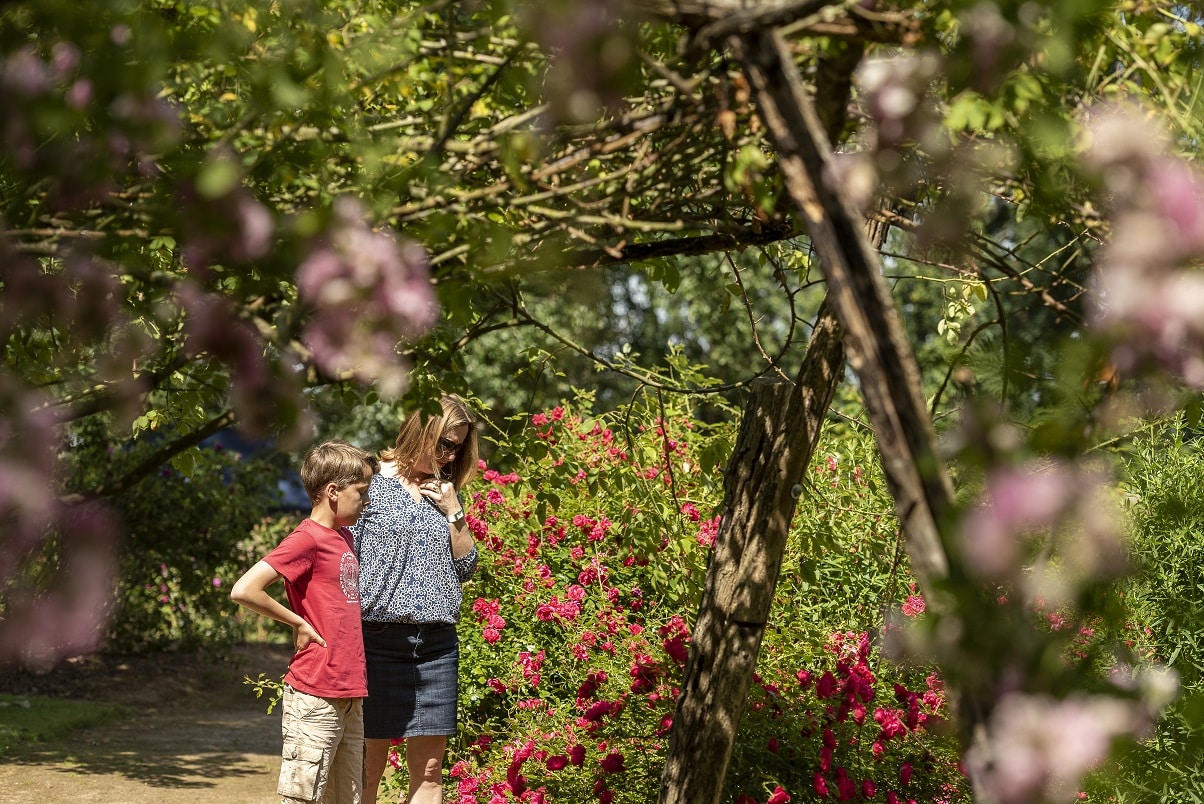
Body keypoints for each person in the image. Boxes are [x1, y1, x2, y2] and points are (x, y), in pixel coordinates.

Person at [230, 440, 376, 804]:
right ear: (332, 492)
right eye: (361, 492)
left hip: (350, 693)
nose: (367, 500)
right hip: (315, 693)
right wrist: (298, 622)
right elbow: (245, 589)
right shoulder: (306, 538)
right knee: (303, 798)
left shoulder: (343, 537)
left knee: (350, 797)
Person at [354, 395, 480, 804]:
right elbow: (341, 561)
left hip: (436, 646)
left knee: (428, 772)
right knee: (366, 769)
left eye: (456, 447)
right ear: (420, 431)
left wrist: (454, 510)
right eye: (443, 442)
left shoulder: (445, 493)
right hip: (375, 641)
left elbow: (465, 568)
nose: (448, 455)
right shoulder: (369, 482)